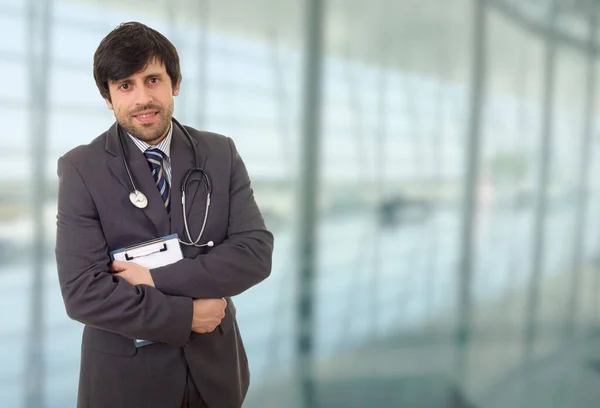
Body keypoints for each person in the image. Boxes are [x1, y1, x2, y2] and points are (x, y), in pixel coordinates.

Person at [54, 21, 274, 408]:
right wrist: (186, 315)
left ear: (175, 83)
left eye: (152, 80)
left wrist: (153, 278)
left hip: (217, 377)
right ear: (108, 97)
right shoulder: (81, 169)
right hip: (127, 383)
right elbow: (83, 294)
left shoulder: (219, 153)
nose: (142, 98)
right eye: (125, 85)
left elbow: (254, 252)